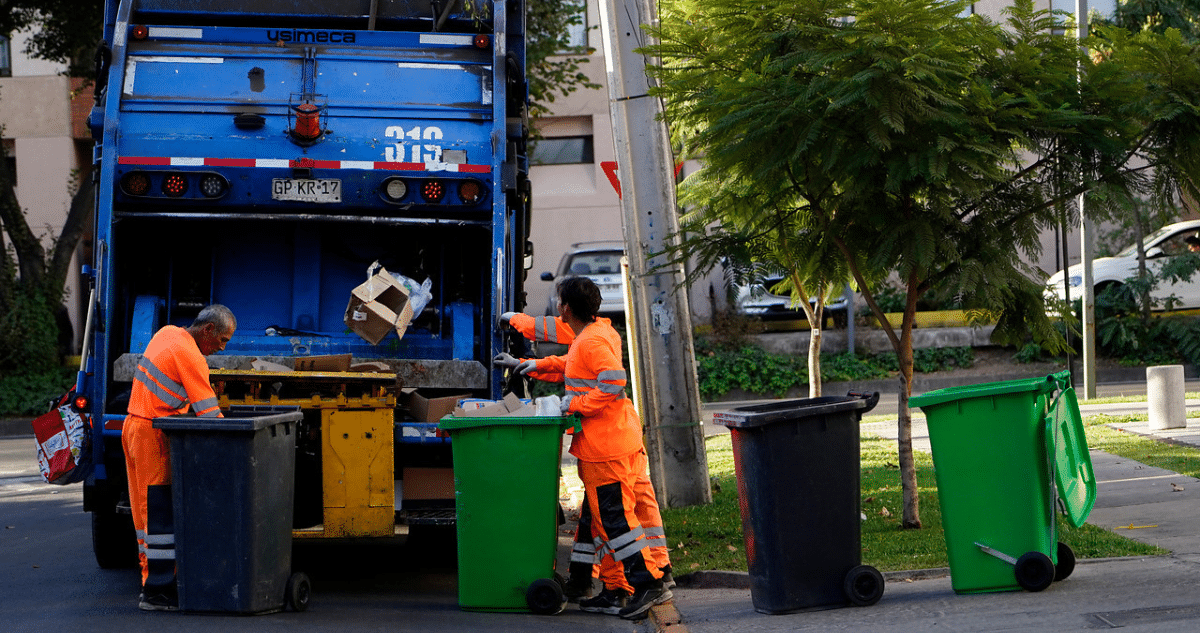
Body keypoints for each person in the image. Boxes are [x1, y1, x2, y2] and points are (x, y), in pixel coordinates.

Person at [496, 279, 672, 620]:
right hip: (617, 438)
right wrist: (536, 365)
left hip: (605, 446)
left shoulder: (589, 341)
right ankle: (618, 586)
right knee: (607, 518)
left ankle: (645, 582)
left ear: (564, 308)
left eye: (559, 303)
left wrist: (574, 404)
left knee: (616, 522)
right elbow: (577, 366)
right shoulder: (597, 332)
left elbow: (612, 380)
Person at [122, 304, 236, 611]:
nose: (222, 348)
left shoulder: (167, 333)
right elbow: (210, 415)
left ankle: (150, 579)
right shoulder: (191, 356)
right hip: (153, 434)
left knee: (142, 513)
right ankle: (157, 591)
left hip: (133, 426)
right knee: (157, 513)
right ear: (208, 330)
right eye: (222, 340)